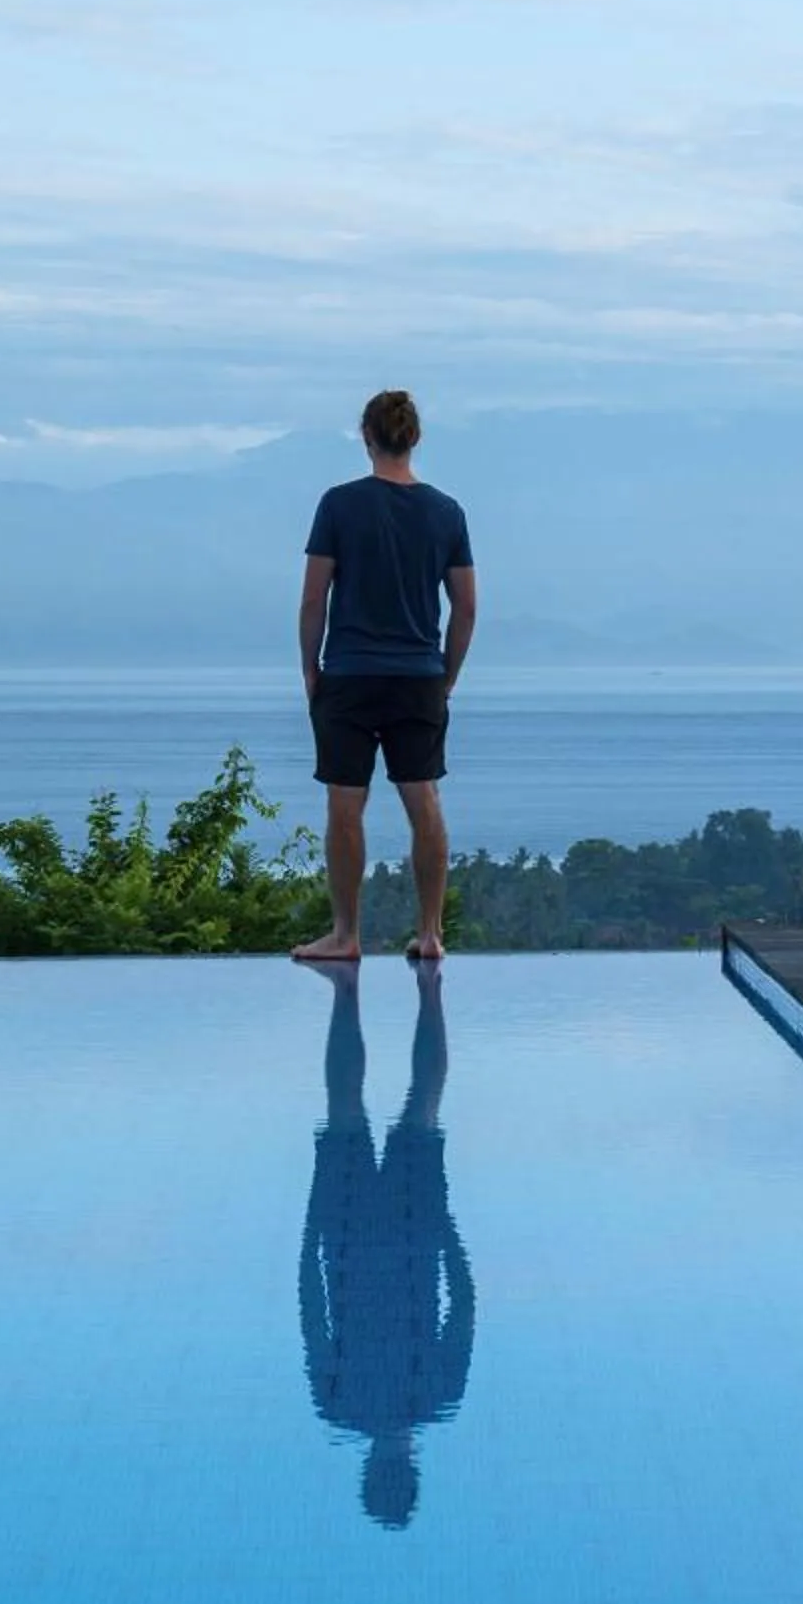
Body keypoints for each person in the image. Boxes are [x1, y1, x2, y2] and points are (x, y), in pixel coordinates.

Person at [291, 390, 477, 962]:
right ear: (414, 438)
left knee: (345, 807)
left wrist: (310, 671)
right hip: (418, 677)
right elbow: (466, 608)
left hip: (349, 675)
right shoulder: (446, 512)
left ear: (366, 437)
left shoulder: (339, 505)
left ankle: (345, 935)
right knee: (424, 801)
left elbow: (314, 600)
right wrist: (446, 677)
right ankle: (430, 933)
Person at [297, 954, 474, 1529]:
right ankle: (349, 994)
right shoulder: (336, 1405)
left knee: (424, 1105)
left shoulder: (439, 1397)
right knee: (346, 1107)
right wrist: (310, 1235)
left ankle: (427, 994)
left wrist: (447, 1231)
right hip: (347, 1238)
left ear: (410, 1473)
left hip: (413, 1233)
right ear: (369, 1474)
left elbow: (465, 1307)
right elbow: (312, 1310)